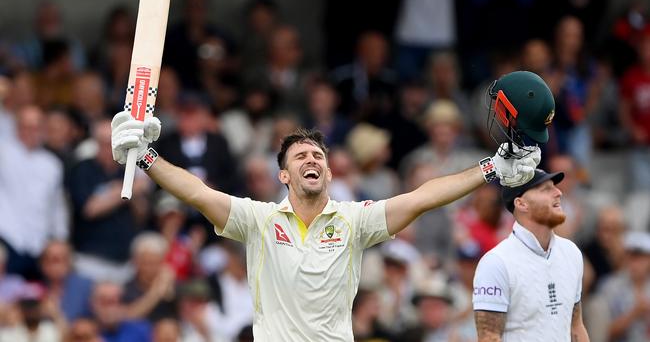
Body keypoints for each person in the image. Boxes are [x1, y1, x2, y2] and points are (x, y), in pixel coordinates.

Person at [110, 71, 550, 341]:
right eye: (299, 156)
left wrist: (490, 170)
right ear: (283, 175)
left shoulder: (354, 221)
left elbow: (422, 198)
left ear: (330, 173)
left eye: (318, 155)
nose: (311, 159)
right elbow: (197, 192)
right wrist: (146, 157)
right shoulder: (258, 220)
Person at [472, 169, 589, 341]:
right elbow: (489, 337)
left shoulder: (571, 253)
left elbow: (576, 327)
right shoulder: (496, 262)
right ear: (521, 204)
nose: (558, 192)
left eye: (554, 187)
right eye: (546, 189)